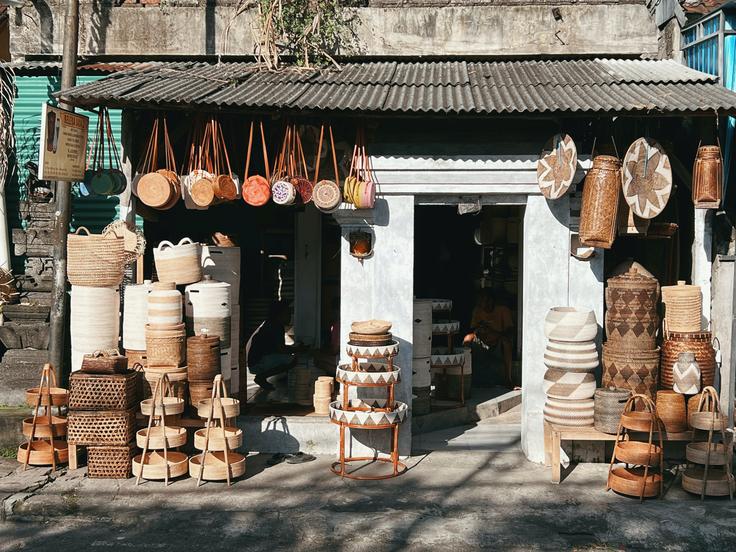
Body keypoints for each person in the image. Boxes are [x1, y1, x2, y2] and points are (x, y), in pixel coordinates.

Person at [464, 288, 514, 387]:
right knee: (467, 338)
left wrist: (494, 332)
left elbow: (510, 331)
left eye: (483, 300)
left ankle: (508, 379)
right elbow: (472, 329)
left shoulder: (503, 310)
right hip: (482, 343)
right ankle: (465, 375)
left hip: (497, 343)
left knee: (506, 342)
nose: (481, 304)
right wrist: (479, 329)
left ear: (490, 300)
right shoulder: (477, 310)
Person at [246, 300, 296, 391]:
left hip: (254, 361)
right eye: (287, 313)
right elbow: (282, 349)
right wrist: (298, 349)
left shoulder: (270, 324)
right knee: (292, 360)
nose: (290, 317)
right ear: (279, 314)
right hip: (257, 363)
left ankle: (262, 377)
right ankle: (261, 377)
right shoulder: (276, 327)